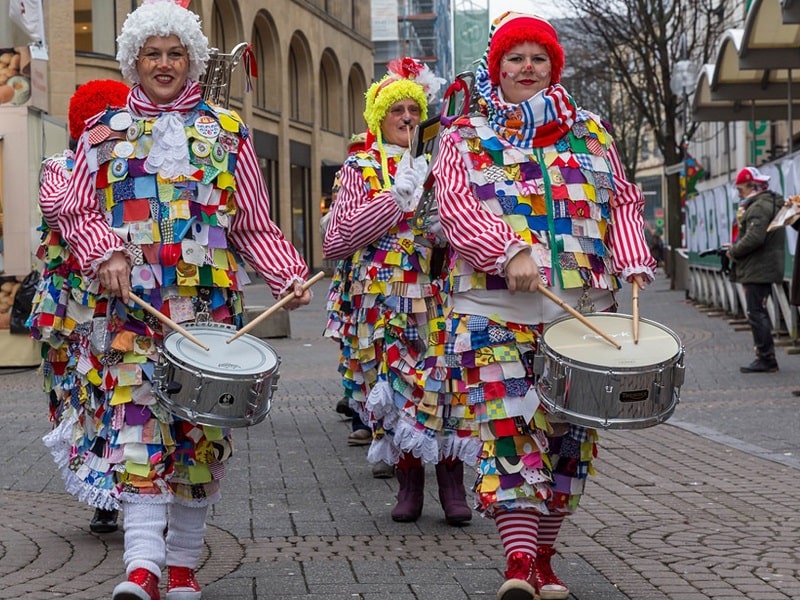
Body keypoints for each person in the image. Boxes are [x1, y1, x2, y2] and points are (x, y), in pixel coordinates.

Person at [56, 2, 312, 599]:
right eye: (153, 54)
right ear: (134, 61)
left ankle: (183, 566)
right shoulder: (101, 133)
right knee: (137, 431)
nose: (164, 64)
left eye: (175, 54)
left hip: (208, 317)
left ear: (192, 60)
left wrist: (286, 275)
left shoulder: (228, 134)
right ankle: (141, 567)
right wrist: (106, 252)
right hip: (131, 314)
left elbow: (251, 222)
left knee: (200, 436)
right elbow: (74, 207)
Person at [430, 12, 656, 600]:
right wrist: (507, 252)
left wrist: (632, 259)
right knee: (510, 434)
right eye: (515, 58)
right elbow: (456, 210)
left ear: (553, 66)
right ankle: (520, 562)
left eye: (538, 58)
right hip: (492, 312)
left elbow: (623, 202)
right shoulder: (463, 136)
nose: (526, 68)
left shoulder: (592, 132)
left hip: (583, 314)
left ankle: (547, 557)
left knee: (568, 440)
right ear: (497, 67)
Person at [323, 57, 479, 525]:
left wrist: (442, 227)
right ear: (379, 118)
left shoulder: (442, 164)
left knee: (446, 387)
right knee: (392, 390)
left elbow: (467, 228)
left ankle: (453, 486)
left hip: (436, 298)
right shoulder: (359, 167)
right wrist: (391, 201)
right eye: (398, 111)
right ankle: (409, 483)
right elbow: (336, 239)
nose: (408, 117)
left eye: (414, 109)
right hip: (381, 302)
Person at [31, 78, 131, 535]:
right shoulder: (61, 167)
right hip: (72, 312)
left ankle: (138, 491)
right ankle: (103, 496)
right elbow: (58, 210)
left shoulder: (133, 169)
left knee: (126, 396)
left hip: (122, 308)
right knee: (81, 399)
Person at [727, 166, 785, 373]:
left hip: (758, 268)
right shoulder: (765, 203)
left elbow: (754, 237)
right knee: (757, 311)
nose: (738, 192)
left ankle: (766, 358)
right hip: (761, 266)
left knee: (756, 312)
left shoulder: (759, 206)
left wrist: (734, 251)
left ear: (752, 186)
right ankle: (765, 356)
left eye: (740, 188)